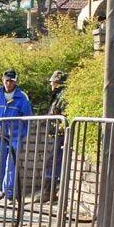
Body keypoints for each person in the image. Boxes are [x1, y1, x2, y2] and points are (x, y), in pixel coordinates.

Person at [0, 68, 33, 199]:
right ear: (2, 80)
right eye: (7, 81)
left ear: (15, 82)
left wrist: (21, 133)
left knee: (11, 165)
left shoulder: (22, 97)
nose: (8, 84)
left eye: (11, 81)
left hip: (15, 136)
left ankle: (8, 193)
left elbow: (28, 117)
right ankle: (1, 188)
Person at [44, 70, 68, 201]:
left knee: (53, 161)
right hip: (56, 133)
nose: (51, 84)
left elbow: (61, 113)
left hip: (60, 134)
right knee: (53, 161)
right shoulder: (58, 95)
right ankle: (49, 192)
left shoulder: (62, 96)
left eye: (53, 81)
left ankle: (49, 192)